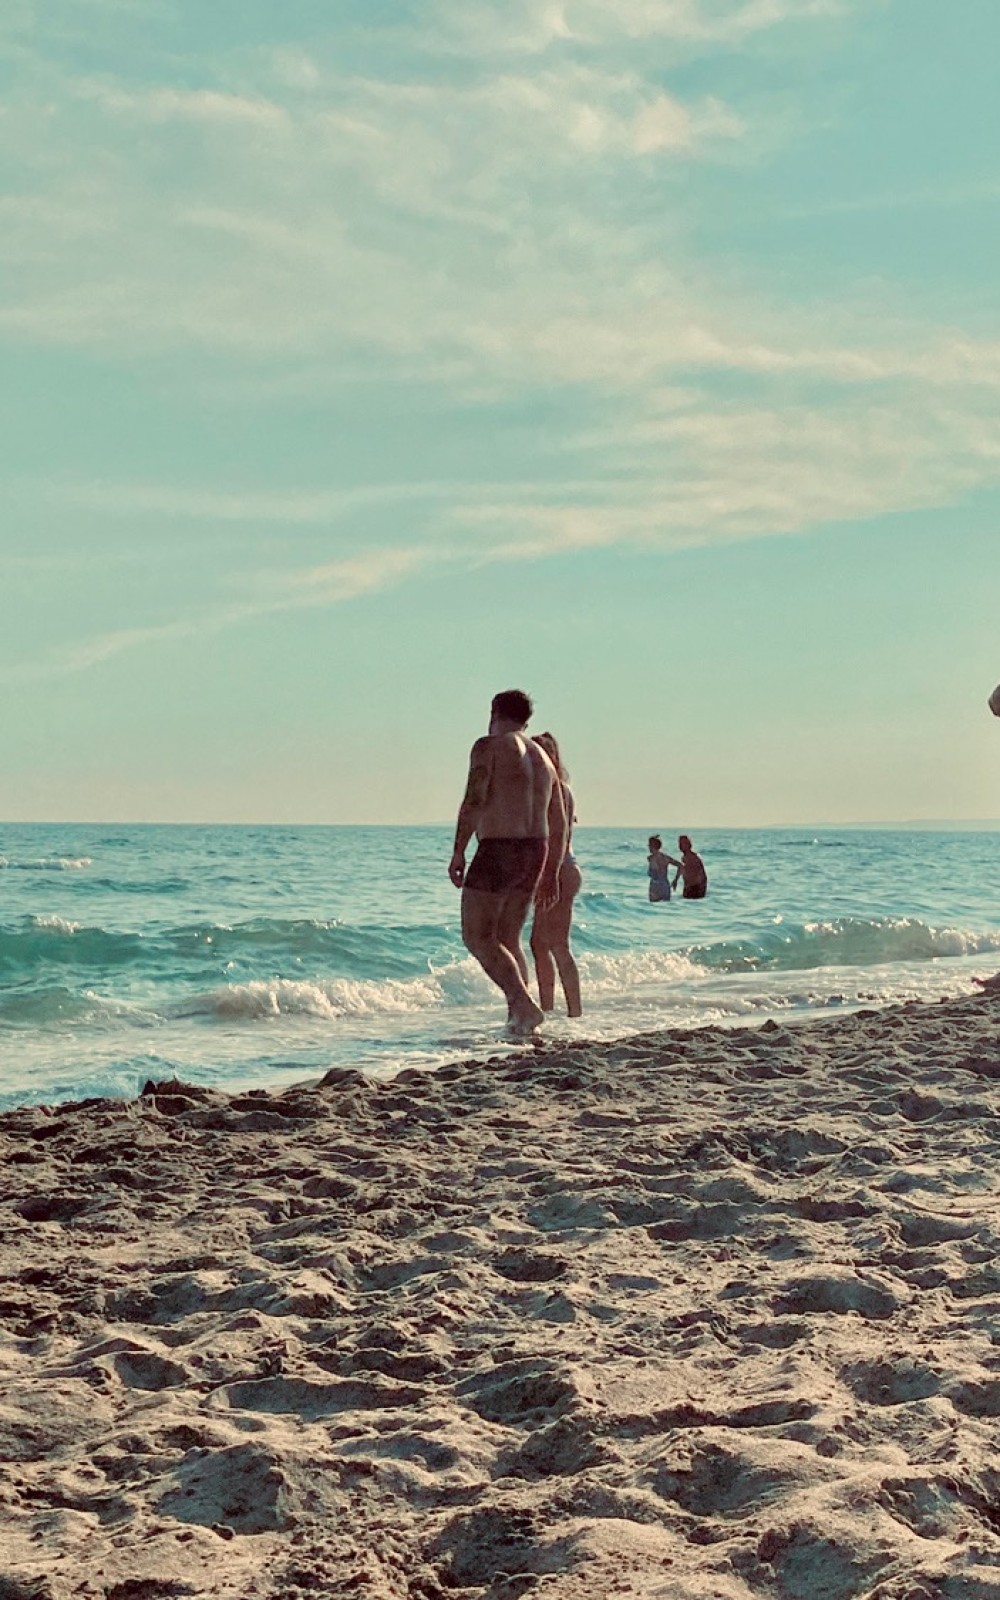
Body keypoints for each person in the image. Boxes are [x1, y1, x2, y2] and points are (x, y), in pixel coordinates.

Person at [449, 690, 566, 1036]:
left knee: (476, 936)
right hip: (536, 849)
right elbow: (558, 820)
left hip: (500, 846)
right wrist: (552, 871)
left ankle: (522, 1004)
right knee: (508, 938)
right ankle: (519, 1017)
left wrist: (459, 850)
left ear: (494, 712)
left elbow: (474, 799)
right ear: (526, 719)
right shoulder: (544, 758)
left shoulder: (489, 746)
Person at [529, 732, 582, 1018]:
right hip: (558, 869)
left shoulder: (557, 789)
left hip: (560, 869)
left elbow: (558, 837)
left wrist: (548, 875)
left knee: (557, 944)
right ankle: (548, 1008)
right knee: (539, 943)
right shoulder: (554, 787)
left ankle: (574, 1011)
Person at [673, 834, 708, 899]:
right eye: (680, 843)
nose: (680, 846)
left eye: (683, 843)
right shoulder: (684, 857)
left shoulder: (694, 857)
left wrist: (702, 888)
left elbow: (703, 874)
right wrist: (676, 880)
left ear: (688, 844)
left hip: (695, 887)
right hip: (688, 887)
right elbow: (681, 868)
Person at [647, 835, 679, 903]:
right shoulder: (665, 857)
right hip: (665, 886)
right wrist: (676, 880)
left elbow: (654, 873)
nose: (648, 847)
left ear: (652, 846)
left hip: (655, 886)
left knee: (654, 908)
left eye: (649, 845)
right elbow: (680, 866)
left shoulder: (651, 858)